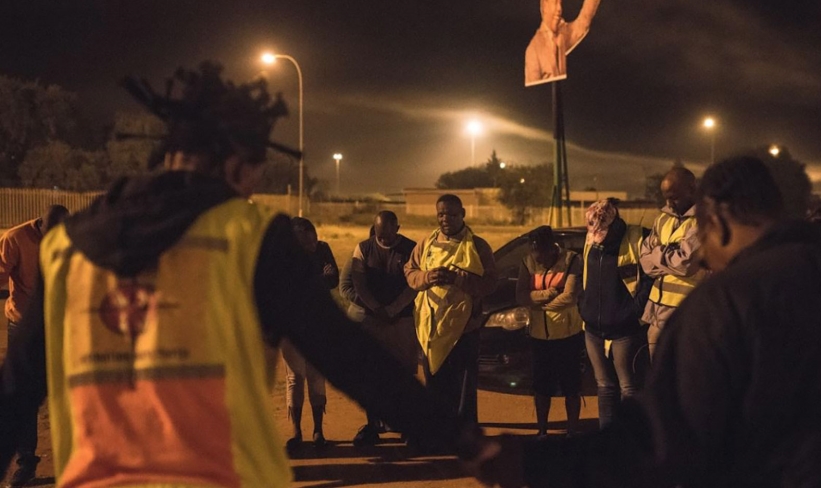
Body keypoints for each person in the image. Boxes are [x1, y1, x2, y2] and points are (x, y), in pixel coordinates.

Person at [0, 62, 483, 487]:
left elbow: (16, 391)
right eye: (254, 173)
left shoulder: (66, 247)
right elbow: (349, 357)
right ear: (235, 163)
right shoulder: (252, 238)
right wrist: (461, 437)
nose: (252, 187)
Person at [468, 156, 821, 488]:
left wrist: (534, 464)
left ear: (720, 223)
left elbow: (657, 441)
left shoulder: (724, 304)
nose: (707, 256)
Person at [404, 194, 497, 427]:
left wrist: (458, 279)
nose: (445, 219)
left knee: (464, 386)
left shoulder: (478, 246)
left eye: (452, 214)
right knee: (435, 383)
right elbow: (410, 272)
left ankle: (465, 433)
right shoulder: (425, 244)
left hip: (465, 328)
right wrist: (427, 277)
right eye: (441, 214)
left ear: (463, 214)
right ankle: (438, 430)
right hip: (432, 327)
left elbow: (490, 283)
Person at [0, 204, 68, 486]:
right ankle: (27, 462)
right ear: (39, 226)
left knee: (67, 393)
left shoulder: (72, 238)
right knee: (24, 397)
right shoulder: (14, 239)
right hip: (25, 326)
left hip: (61, 324)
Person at [341, 210, 420, 447]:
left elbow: (413, 285)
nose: (383, 239)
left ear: (398, 227)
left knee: (404, 374)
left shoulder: (411, 249)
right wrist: (377, 309)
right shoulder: (363, 249)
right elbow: (358, 284)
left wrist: (394, 309)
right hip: (374, 319)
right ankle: (373, 425)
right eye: (379, 234)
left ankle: (406, 426)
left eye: (387, 233)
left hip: (401, 319)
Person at [577, 198, 649, 429]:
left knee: (629, 388)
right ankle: (607, 440)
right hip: (593, 329)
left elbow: (648, 279)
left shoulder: (636, 239)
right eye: (593, 230)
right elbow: (586, 277)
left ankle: (631, 442)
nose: (597, 235)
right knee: (604, 387)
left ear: (614, 223)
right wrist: (584, 306)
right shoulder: (591, 240)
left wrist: (633, 311)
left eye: (602, 230)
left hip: (625, 329)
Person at [515, 225, 583, 438]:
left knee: (571, 386)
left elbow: (571, 297)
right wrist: (552, 293)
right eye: (534, 253)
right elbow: (521, 297)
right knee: (541, 387)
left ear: (552, 248)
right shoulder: (527, 262)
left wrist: (537, 301)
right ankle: (542, 431)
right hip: (539, 337)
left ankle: (572, 431)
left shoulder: (572, 260)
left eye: (541, 254)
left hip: (568, 336)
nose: (538, 259)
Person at [281, 216, 338, 448]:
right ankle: (297, 432)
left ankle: (317, 431)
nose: (313, 247)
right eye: (307, 244)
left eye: (314, 241)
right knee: (296, 377)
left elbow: (333, 279)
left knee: (316, 376)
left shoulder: (323, 248)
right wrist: (318, 279)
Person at [638, 167, 705, 357]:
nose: (669, 203)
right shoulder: (662, 219)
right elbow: (645, 262)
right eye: (666, 197)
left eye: (674, 197)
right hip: (658, 310)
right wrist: (670, 256)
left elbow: (685, 265)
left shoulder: (702, 220)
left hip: (687, 311)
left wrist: (657, 253)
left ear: (692, 189)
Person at [524, 0, 603, 86]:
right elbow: (532, 96)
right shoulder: (533, 50)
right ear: (545, 4)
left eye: (561, 2)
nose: (560, 9)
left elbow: (583, 22)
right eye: (555, 2)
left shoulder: (562, 35)